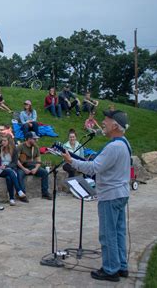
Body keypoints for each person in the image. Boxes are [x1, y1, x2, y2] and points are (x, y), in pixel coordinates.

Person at [62, 110, 131, 282]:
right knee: (118, 231)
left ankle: (110, 270)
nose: (103, 123)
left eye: (106, 120)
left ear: (115, 125)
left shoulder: (114, 146)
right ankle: (121, 266)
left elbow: (93, 168)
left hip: (110, 195)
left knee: (108, 234)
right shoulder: (124, 143)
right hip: (121, 194)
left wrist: (71, 161)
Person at [16, 131, 51, 200]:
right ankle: (22, 194)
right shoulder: (20, 147)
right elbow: (16, 160)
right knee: (19, 175)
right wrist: (24, 169)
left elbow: (38, 160)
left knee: (44, 172)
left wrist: (36, 168)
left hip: (32, 166)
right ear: (29, 139)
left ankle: (45, 193)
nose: (36, 140)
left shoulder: (36, 147)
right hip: (22, 167)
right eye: (34, 139)